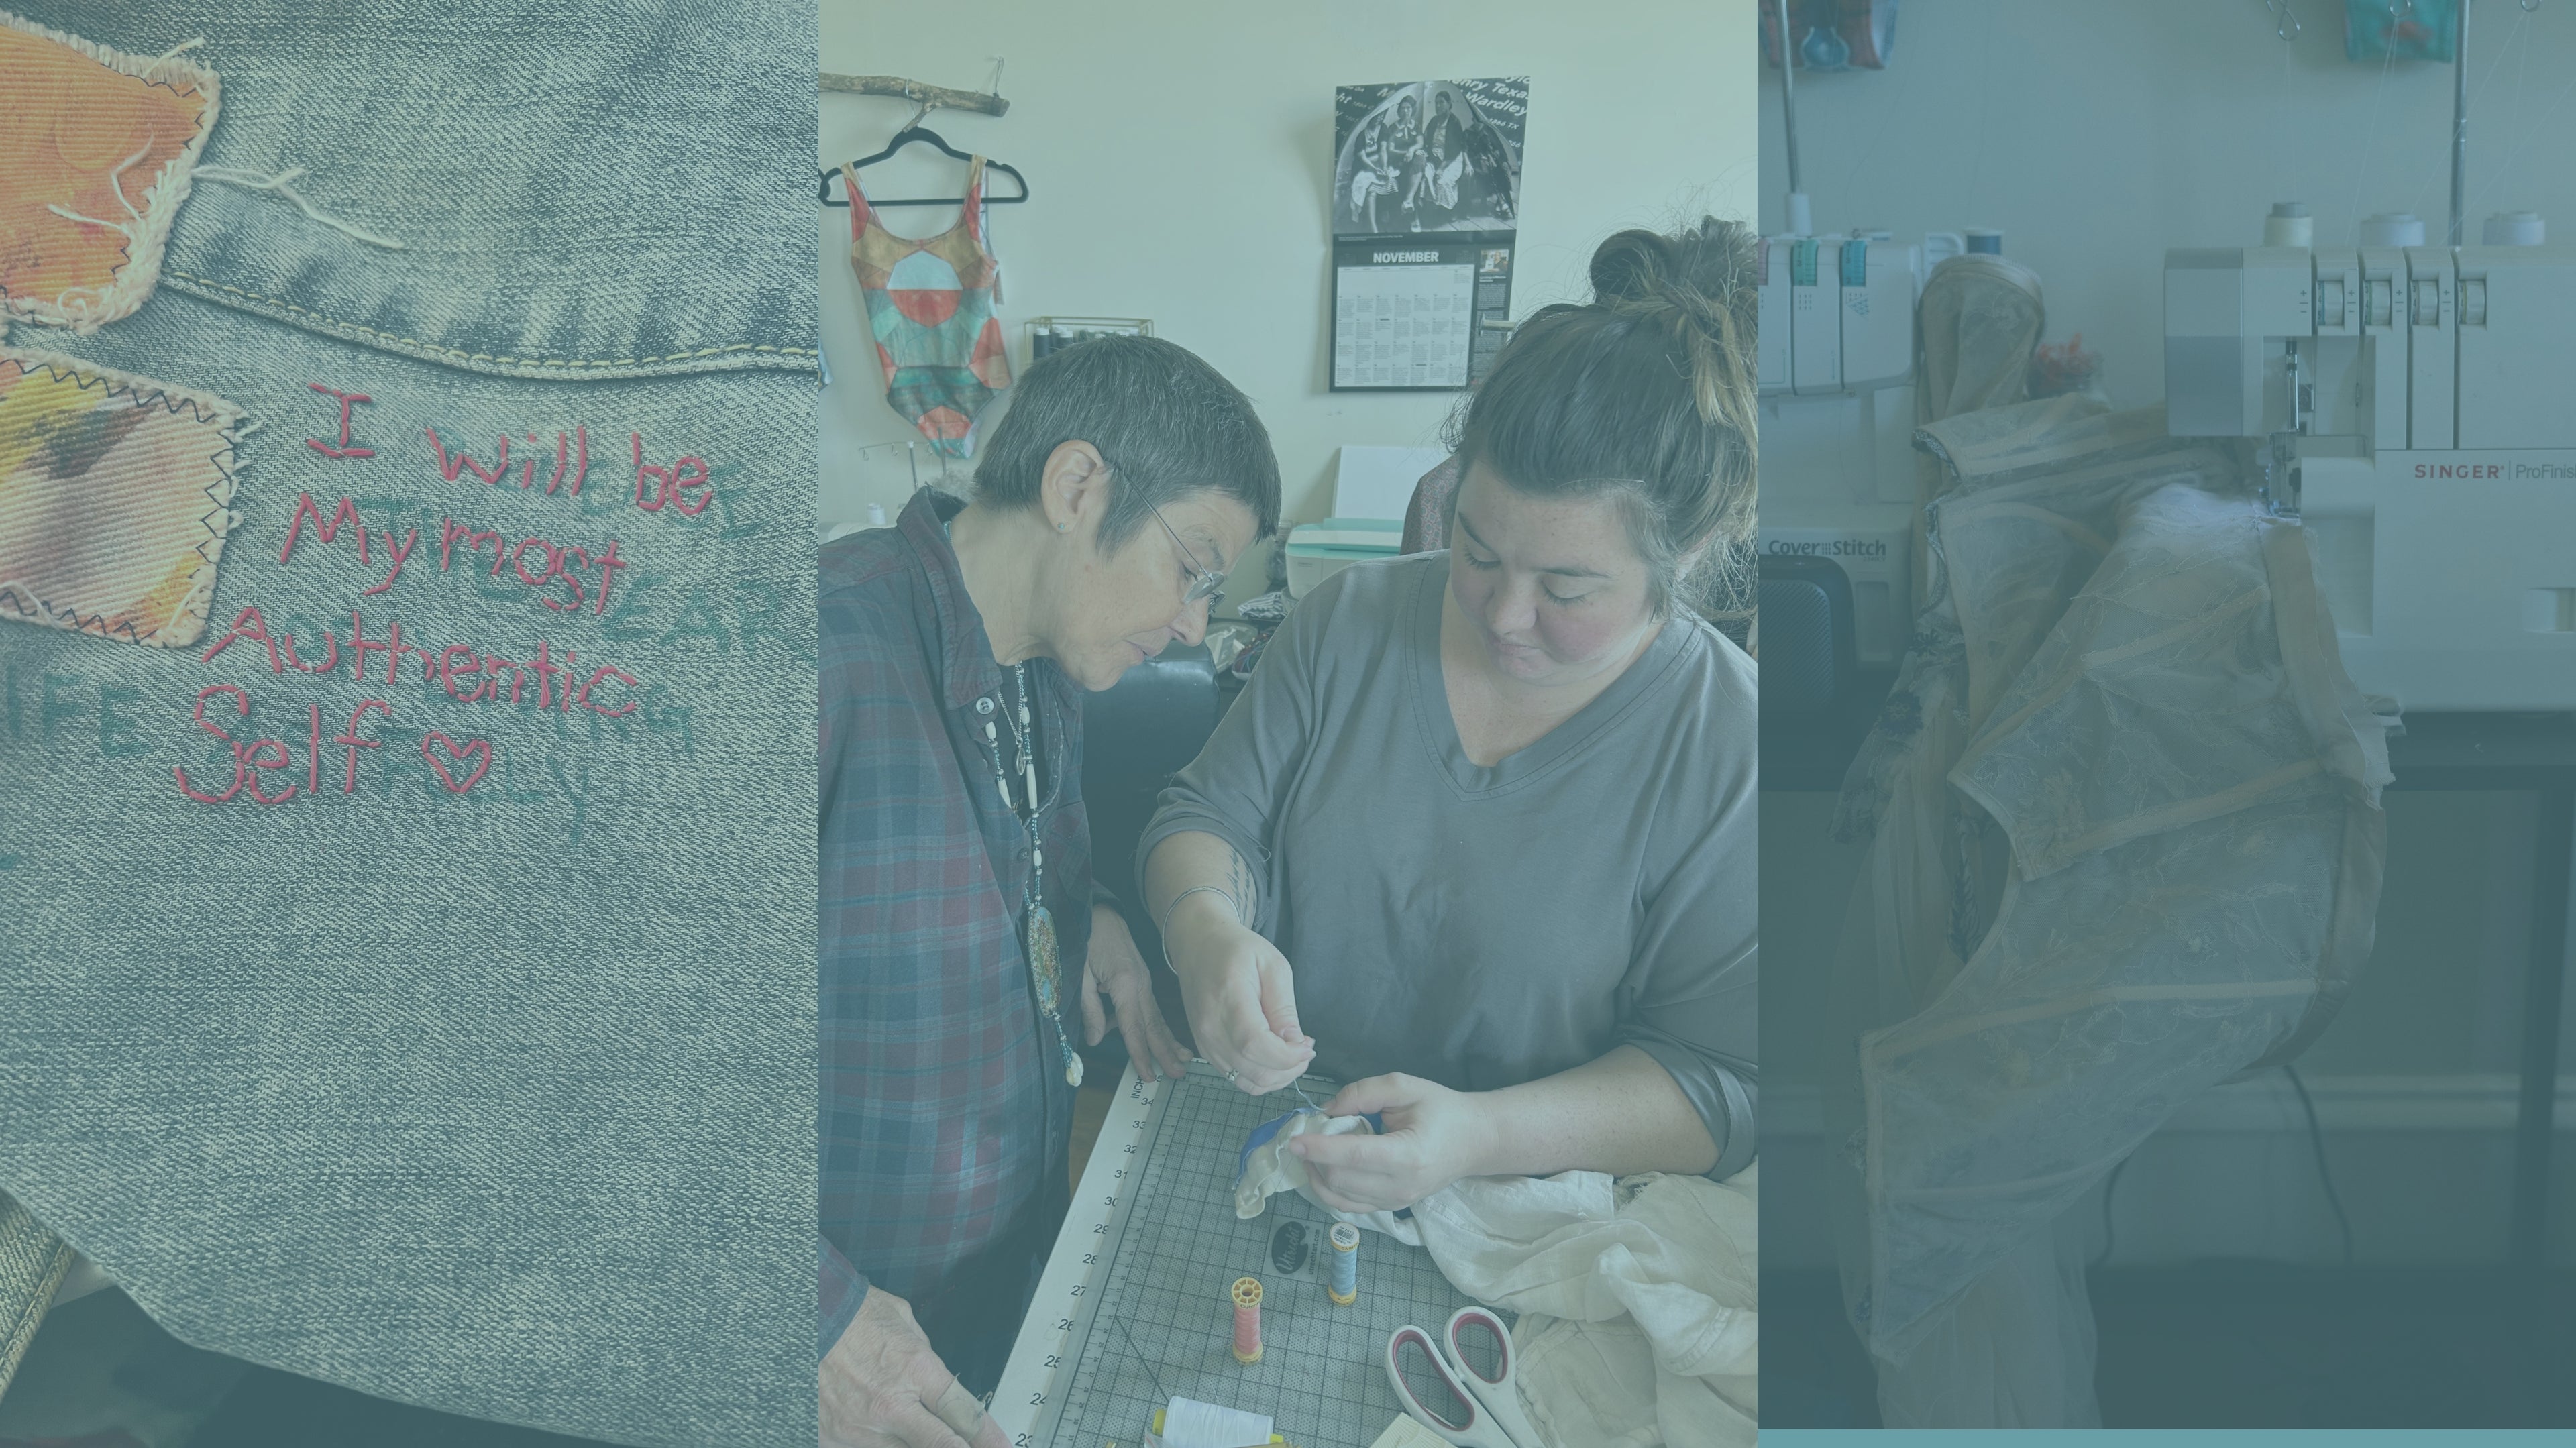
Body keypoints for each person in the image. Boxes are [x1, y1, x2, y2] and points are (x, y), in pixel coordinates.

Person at [1140, 219, 1758, 1219]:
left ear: (1688, 558)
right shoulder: (1350, 622)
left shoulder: (1726, 747)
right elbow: (1203, 819)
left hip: (1524, 1203)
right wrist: (1204, 927)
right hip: (1279, 1132)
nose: (1505, 617)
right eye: (1476, 552)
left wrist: (1481, 1135)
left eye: (1567, 588)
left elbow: (1725, 1085)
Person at [820, 335, 1282, 1448]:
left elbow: (972, 875)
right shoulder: (819, 652)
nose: (1190, 624)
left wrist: (1093, 924)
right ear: (1077, 486)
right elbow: (595, 1073)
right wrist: (816, 1323)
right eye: (1194, 568)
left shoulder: (1045, 668)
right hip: (842, 1358)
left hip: (988, 1297)